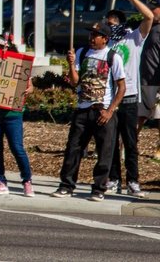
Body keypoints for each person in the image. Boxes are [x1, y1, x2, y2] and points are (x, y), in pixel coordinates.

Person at [52, 21, 126, 201]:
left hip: (103, 110)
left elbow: (121, 87)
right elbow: (75, 81)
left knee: (105, 151)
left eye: (96, 35)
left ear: (105, 39)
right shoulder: (82, 53)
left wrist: (110, 111)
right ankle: (67, 185)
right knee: (74, 148)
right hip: (83, 109)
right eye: (91, 34)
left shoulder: (112, 57)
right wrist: (70, 64)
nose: (91, 38)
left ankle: (99, 188)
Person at [103, 0, 152, 198]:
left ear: (121, 24)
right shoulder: (107, 43)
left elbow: (149, 17)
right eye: (107, 25)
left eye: (112, 24)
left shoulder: (134, 38)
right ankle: (114, 179)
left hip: (130, 97)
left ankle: (133, 181)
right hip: (111, 98)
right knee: (111, 141)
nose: (109, 28)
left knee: (130, 142)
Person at [0, 39, 35, 197]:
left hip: (12, 114)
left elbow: (30, 85)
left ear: (6, 47)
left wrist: (29, 89)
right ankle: (1, 182)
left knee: (17, 148)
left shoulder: (18, 63)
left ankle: (27, 181)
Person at [138, 0, 160, 161]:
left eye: (154, 8)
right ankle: (126, 146)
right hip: (144, 80)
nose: (151, 12)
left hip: (157, 81)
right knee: (139, 115)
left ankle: (159, 150)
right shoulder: (147, 27)